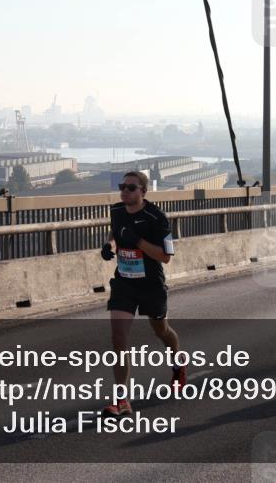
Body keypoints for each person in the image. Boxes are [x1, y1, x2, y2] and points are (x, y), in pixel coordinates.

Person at [100, 171, 184, 418]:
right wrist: (108, 245)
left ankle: (178, 364)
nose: (124, 191)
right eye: (122, 186)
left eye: (131, 187)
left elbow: (166, 256)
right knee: (118, 338)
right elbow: (115, 231)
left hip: (151, 285)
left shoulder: (157, 217)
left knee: (162, 331)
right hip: (124, 283)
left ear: (143, 192)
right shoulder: (117, 211)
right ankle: (121, 400)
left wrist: (137, 241)